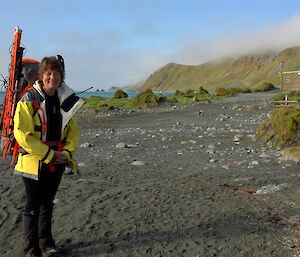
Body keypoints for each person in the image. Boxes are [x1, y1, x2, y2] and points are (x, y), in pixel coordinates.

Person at [13, 56, 84, 257]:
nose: (52, 77)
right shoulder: (28, 99)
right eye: (48, 73)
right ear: (41, 76)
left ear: (62, 76)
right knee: (32, 207)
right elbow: (22, 135)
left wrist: (67, 153)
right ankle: (31, 250)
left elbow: (73, 132)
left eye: (56, 73)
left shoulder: (64, 100)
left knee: (48, 203)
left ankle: (46, 243)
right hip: (34, 162)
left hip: (58, 160)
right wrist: (49, 155)